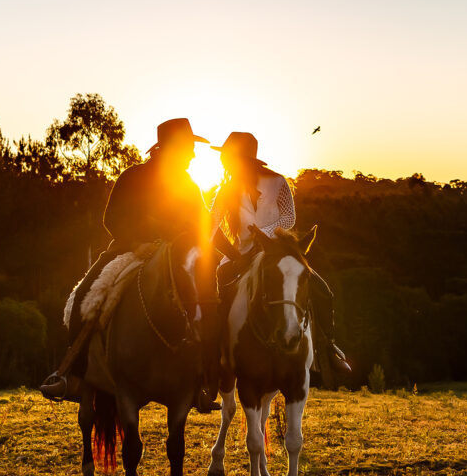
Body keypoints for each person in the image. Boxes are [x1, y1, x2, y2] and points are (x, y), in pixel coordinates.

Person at [40, 118, 224, 412]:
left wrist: (220, 250)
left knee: (208, 303)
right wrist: (138, 242)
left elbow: (201, 226)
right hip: (131, 251)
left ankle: (200, 383)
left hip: (176, 259)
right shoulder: (133, 177)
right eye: (188, 148)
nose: (192, 154)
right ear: (172, 148)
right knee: (87, 296)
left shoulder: (190, 185)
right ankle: (72, 375)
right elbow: (111, 219)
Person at [210, 132, 352, 378]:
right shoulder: (225, 190)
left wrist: (264, 235)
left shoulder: (278, 183)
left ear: (241, 159)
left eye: (226, 157)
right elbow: (212, 223)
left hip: (276, 251)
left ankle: (328, 348)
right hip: (240, 254)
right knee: (211, 294)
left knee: (322, 290)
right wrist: (222, 247)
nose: (223, 162)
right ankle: (213, 357)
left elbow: (289, 217)